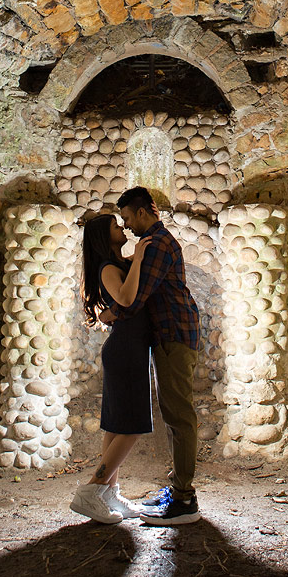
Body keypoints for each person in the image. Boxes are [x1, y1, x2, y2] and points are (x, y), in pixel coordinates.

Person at [111, 186, 202, 525]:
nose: (126, 225)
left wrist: (110, 314)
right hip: (170, 335)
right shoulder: (152, 243)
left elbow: (136, 298)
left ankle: (184, 499)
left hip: (174, 335)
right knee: (174, 414)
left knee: (179, 416)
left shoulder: (159, 244)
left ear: (142, 212)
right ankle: (178, 490)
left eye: (127, 217)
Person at [70, 211, 153, 524]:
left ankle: (109, 492)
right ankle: (91, 490)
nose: (123, 227)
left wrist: (135, 259)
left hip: (130, 348)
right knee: (133, 427)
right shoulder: (107, 268)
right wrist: (140, 257)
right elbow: (127, 298)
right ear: (105, 237)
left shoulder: (118, 263)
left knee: (117, 425)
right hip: (125, 350)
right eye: (116, 226)